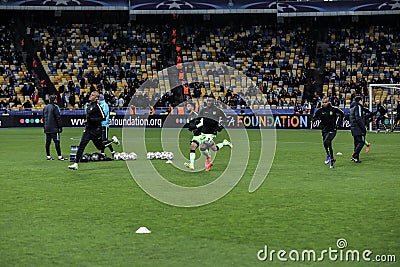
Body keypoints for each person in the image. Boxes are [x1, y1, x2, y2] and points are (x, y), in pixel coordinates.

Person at [68, 91, 117, 170]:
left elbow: (103, 117)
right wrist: (88, 121)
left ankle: (113, 140)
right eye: (91, 94)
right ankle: (76, 163)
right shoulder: (89, 105)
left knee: (100, 146)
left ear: (96, 98)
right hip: (88, 130)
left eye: (92, 95)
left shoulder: (98, 106)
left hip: (96, 131)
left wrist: (92, 120)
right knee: (81, 145)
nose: (90, 95)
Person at [186, 96, 232, 171]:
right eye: (208, 101)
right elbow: (198, 119)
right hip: (203, 132)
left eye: (210, 101)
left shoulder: (218, 110)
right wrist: (194, 125)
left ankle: (210, 157)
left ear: (213, 101)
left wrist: (220, 126)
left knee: (206, 147)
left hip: (212, 133)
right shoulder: (203, 110)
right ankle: (192, 164)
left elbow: (225, 119)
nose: (209, 102)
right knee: (196, 146)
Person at [312, 96, 344, 168]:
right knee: (327, 144)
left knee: (326, 142)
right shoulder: (320, 111)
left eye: (326, 102)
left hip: (332, 130)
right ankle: (331, 158)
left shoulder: (333, 109)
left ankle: (330, 157)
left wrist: (338, 124)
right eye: (323, 102)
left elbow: (342, 114)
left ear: (329, 102)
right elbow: (315, 117)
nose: (324, 104)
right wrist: (314, 120)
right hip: (324, 130)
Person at [43, 95, 66, 160]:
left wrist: (45, 127)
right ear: (55, 100)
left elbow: (43, 118)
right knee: (57, 142)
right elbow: (58, 117)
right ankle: (59, 156)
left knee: (48, 142)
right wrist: (60, 127)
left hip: (47, 128)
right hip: (54, 128)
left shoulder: (45, 107)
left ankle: (48, 156)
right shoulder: (55, 107)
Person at [349, 96, 366, 163]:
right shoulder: (358, 106)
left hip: (353, 127)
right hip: (358, 127)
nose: (363, 102)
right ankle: (354, 155)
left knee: (356, 143)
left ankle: (356, 158)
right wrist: (363, 128)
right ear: (359, 101)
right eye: (362, 101)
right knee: (361, 142)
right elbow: (358, 118)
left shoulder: (352, 107)